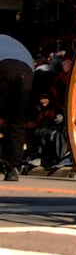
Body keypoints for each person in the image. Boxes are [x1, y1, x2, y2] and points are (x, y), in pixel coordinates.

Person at [0, 32, 34, 180]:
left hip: (2, 67)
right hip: (25, 72)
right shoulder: (15, 43)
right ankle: (12, 167)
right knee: (17, 121)